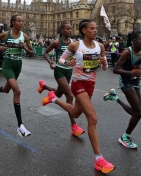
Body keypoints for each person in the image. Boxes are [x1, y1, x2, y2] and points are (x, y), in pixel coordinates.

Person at [41, 20, 114, 174]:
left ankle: (53, 98)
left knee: (75, 113)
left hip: (91, 85)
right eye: (92, 28)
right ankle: (98, 159)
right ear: (84, 30)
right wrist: (68, 63)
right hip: (78, 83)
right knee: (92, 118)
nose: (95, 31)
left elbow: (105, 67)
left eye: (96, 28)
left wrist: (103, 62)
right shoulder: (76, 46)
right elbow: (62, 59)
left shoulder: (100, 46)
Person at [0, 15, 34, 137]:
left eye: (22, 21)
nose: (21, 23)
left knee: (7, 89)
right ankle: (20, 126)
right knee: (17, 91)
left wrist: (23, 47)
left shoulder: (25, 37)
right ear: (13, 22)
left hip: (18, 65)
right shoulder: (6, 34)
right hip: (7, 64)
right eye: (19, 21)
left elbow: (32, 53)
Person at [104, 31, 141, 150]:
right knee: (138, 113)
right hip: (126, 82)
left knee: (135, 112)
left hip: (135, 82)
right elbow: (116, 69)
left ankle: (115, 97)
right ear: (135, 41)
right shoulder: (127, 52)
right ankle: (125, 137)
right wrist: (132, 73)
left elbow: (138, 66)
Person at [39, 23, 85, 136]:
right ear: (62, 30)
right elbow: (45, 52)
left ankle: (44, 87)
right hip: (59, 71)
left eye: (71, 28)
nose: (70, 30)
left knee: (58, 94)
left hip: (69, 71)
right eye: (67, 29)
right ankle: (74, 126)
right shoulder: (56, 42)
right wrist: (50, 62)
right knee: (69, 96)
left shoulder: (73, 43)